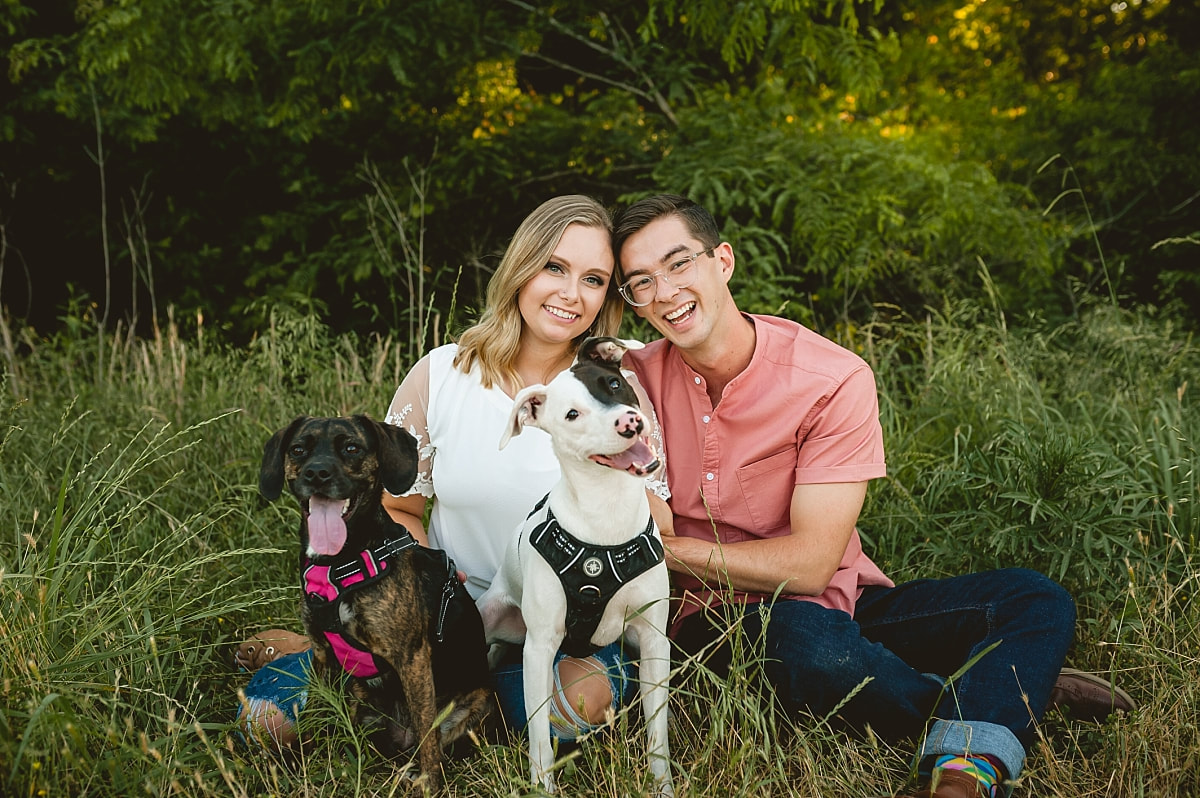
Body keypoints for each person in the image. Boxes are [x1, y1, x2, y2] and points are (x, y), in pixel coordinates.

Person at [610, 194, 1135, 798]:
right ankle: (998, 709)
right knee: (806, 644)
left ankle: (989, 702)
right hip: (708, 627)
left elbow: (810, 566)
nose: (665, 291)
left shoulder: (831, 378)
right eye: (641, 282)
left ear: (722, 261)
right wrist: (667, 558)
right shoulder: (627, 385)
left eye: (679, 264)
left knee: (1032, 599)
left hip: (839, 605)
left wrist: (662, 548)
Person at [235, 194, 671, 750]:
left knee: (574, 709)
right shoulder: (441, 374)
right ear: (520, 268)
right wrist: (425, 582)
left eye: (593, 279)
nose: (570, 293)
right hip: (445, 623)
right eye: (554, 267)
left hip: (573, 624)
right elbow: (398, 506)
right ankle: (316, 647)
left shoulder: (615, 387)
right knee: (268, 723)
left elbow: (655, 516)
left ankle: (493, 697)